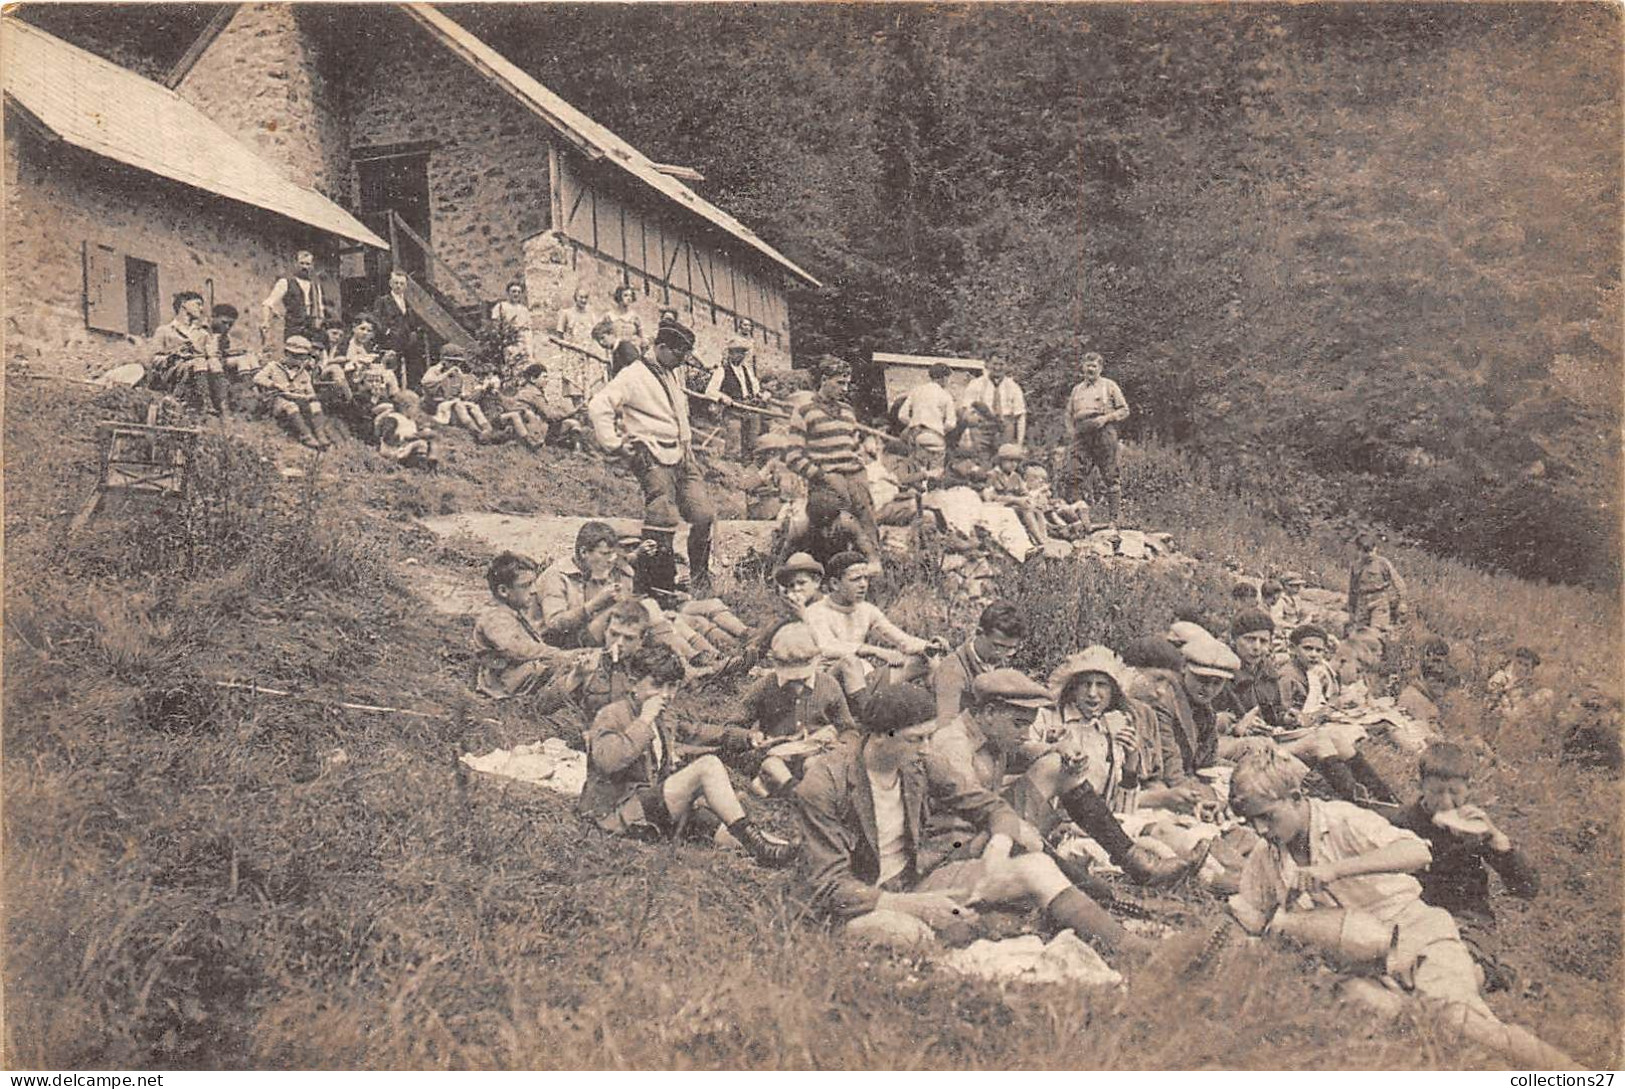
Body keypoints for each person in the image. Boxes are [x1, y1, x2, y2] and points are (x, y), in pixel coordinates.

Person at [1226, 750, 1574, 1068]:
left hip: (1414, 932)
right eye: (1250, 822)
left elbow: (1417, 853)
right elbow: (1248, 917)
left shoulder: (1343, 820)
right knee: (1392, 1020)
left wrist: (1336, 870)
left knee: (1464, 1025)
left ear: (1296, 798)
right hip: (1358, 958)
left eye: (1266, 817)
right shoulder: (1266, 856)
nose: (1260, 830)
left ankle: (1571, 1074)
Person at [794, 683, 1148, 956]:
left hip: (915, 883)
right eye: (917, 739)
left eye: (929, 736)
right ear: (881, 736)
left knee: (1036, 865)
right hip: (861, 904)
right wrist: (913, 906)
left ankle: (1130, 949)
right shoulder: (825, 783)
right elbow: (829, 886)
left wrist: (998, 846)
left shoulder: (918, 763)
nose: (926, 747)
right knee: (905, 933)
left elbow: (992, 807)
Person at [577, 643, 795, 867]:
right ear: (634, 683)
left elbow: (697, 732)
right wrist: (643, 721)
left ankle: (784, 851)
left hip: (651, 804)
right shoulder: (612, 714)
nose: (665, 695)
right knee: (708, 765)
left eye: (671, 687)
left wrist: (747, 738)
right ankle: (764, 848)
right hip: (616, 813)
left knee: (724, 827)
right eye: (656, 685)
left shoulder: (664, 715)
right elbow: (608, 762)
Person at [1026, 650, 1203, 885]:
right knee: (1148, 847)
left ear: (1113, 692)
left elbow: (1117, 808)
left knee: (1164, 832)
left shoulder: (1113, 726)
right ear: (1073, 688)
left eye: (1102, 685)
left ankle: (1214, 873)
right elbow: (1030, 768)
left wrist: (1131, 762)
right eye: (1085, 684)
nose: (1092, 693)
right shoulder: (1048, 718)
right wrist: (1054, 746)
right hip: (1059, 826)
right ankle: (1178, 873)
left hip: (1102, 824)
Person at [1389, 742, 1538, 992]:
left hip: (1469, 919)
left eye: (1455, 792)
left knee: (1459, 965)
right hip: (1416, 915)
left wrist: (1497, 840)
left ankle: (1492, 973)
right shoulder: (1402, 822)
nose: (1447, 802)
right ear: (1420, 787)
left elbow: (1526, 888)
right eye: (1436, 792)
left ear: (1469, 790)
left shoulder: (1476, 826)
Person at [588, 318, 716, 598]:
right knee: (663, 518)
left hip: (682, 453)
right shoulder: (633, 375)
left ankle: (700, 579)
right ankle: (657, 587)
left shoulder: (671, 372)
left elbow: (678, 413)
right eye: (679, 353)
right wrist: (615, 444)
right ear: (661, 347)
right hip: (652, 454)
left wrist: (688, 447)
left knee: (703, 515)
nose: (683, 360)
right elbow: (599, 406)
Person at [709, 622, 857, 797]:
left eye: (803, 679)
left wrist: (837, 742)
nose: (797, 687)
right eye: (790, 680)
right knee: (771, 767)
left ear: (816, 660)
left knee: (814, 765)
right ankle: (797, 792)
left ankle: (807, 790)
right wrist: (750, 737)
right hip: (778, 756)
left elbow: (848, 730)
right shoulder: (764, 687)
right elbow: (731, 728)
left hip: (815, 752)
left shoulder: (828, 685)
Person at [804, 552, 945, 703]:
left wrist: (927, 646)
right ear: (835, 584)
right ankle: (865, 715)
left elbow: (900, 638)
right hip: (829, 682)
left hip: (862, 680)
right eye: (856, 579)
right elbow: (827, 647)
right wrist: (876, 651)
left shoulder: (866, 609)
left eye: (866, 578)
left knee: (926, 660)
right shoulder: (815, 611)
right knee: (849, 662)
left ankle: (940, 704)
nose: (863, 584)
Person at [785, 356, 881, 562]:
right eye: (840, 383)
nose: (845, 389)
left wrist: (863, 464)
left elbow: (853, 448)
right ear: (824, 379)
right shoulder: (805, 411)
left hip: (855, 478)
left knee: (868, 522)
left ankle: (873, 570)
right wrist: (821, 476)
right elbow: (792, 456)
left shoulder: (847, 412)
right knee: (838, 523)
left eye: (847, 383)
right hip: (826, 481)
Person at [473, 551, 586, 699]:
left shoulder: (512, 611)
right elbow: (518, 649)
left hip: (525, 677)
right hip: (508, 686)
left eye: (534, 583)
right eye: (526, 585)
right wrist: (560, 655)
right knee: (584, 672)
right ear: (503, 591)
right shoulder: (495, 617)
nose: (534, 590)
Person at [932, 600, 1029, 727]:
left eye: (1010, 648)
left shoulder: (999, 663)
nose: (1002, 654)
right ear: (979, 632)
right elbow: (946, 728)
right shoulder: (952, 671)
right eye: (997, 646)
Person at [538, 521, 628, 649]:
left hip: (581, 639)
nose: (611, 559)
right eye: (605, 553)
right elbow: (554, 623)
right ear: (584, 552)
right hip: (557, 647)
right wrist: (595, 603)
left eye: (613, 553)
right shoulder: (556, 576)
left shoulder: (594, 570)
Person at [1064, 351, 1130, 524]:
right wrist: (1072, 432)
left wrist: (1105, 418)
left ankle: (1114, 519)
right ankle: (1079, 520)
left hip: (1103, 431)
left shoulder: (1109, 386)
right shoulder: (1077, 389)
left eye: (1094, 366)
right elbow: (1068, 414)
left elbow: (1124, 410)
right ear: (1082, 367)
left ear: (1100, 368)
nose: (1091, 369)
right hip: (1081, 433)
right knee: (1074, 474)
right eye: (1088, 365)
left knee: (1110, 474)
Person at [254, 335, 334, 450]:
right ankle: (305, 435)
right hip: (277, 401)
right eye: (295, 356)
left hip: (299, 400)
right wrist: (274, 384)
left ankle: (320, 435)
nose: (298, 361)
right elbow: (258, 378)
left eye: (302, 357)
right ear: (287, 353)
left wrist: (307, 396)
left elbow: (310, 390)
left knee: (315, 405)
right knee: (290, 405)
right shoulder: (274, 366)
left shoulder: (303, 373)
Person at [705, 317, 766, 459]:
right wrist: (723, 397)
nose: (739, 355)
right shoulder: (722, 370)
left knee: (753, 440)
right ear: (730, 353)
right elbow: (709, 391)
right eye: (736, 352)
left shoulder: (747, 370)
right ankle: (732, 468)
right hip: (733, 411)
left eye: (742, 352)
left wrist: (762, 395)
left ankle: (749, 465)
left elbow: (755, 388)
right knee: (734, 440)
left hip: (749, 408)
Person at [147, 290, 215, 407]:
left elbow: (213, 356)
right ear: (184, 304)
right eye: (197, 304)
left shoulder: (202, 334)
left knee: (208, 364)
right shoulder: (164, 330)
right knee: (198, 363)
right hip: (172, 373)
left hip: (199, 370)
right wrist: (174, 355)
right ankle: (207, 405)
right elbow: (154, 359)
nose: (201, 309)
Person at [421, 343, 497, 441]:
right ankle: (477, 433)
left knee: (473, 406)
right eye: (453, 363)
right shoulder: (434, 371)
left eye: (457, 363)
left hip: (452, 401)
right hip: (436, 403)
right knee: (459, 406)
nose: (456, 366)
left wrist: (466, 395)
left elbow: (460, 390)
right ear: (444, 361)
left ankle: (488, 430)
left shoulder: (456, 374)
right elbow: (427, 383)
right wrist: (447, 373)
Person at [958, 351, 1027, 456]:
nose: (997, 368)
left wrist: (1019, 444)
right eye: (994, 364)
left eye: (1001, 364)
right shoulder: (976, 384)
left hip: (1004, 427)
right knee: (980, 457)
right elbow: (965, 409)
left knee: (1004, 458)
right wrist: (970, 427)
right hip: (982, 428)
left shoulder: (1013, 387)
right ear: (988, 364)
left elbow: (1020, 416)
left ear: (1007, 366)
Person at [259, 249, 326, 350]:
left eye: (308, 264)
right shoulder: (285, 282)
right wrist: (265, 321)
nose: (304, 267)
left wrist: (318, 327)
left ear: (312, 266)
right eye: (301, 263)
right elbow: (268, 303)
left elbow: (320, 311)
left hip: (311, 328)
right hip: (294, 327)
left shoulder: (316, 286)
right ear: (295, 263)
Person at [373, 269, 428, 392]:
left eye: (402, 283)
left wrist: (415, 332)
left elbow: (414, 319)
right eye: (396, 283)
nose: (399, 286)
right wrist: (387, 332)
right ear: (390, 284)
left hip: (408, 340)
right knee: (393, 369)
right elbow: (376, 320)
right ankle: (395, 394)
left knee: (413, 367)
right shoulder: (383, 301)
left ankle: (413, 393)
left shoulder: (408, 301)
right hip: (392, 340)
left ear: (406, 286)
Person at [982, 444, 1047, 546]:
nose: (1013, 464)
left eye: (1016, 461)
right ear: (1001, 461)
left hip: (1015, 505)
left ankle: (1044, 537)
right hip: (1000, 507)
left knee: (1037, 508)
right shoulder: (993, 475)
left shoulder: (1016, 476)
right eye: (1009, 460)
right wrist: (1015, 500)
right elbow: (989, 496)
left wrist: (1030, 499)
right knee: (1026, 509)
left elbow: (1024, 492)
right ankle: (1040, 540)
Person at [1347, 532, 1407, 636]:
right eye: (1365, 552)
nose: (1369, 555)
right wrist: (1351, 610)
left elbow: (1397, 582)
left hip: (1379, 600)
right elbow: (1352, 589)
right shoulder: (1355, 566)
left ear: (1376, 549)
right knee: (1360, 634)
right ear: (1359, 551)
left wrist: (1402, 602)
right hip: (1362, 602)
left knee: (1376, 633)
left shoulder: (1383, 563)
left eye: (1371, 551)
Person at [554, 285, 599, 407]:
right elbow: (559, 335)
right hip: (572, 355)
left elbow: (597, 334)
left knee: (589, 388)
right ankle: (578, 411)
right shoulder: (566, 313)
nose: (583, 300)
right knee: (575, 389)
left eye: (586, 297)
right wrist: (566, 352)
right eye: (581, 297)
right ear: (575, 297)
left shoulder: (591, 315)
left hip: (588, 355)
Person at [899, 363, 958, 448]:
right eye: (948, 378)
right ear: (944, 378)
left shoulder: (916, 391)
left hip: (913, 434)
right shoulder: (946, 395)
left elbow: (902, 416)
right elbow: (951, 424)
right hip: (933, 435)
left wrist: (914, 424)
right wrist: (939, 430)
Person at [372, 401, 436, 469]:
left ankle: (421, 466)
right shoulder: (394, 417)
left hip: (404, 449)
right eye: (415, 409)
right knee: (421, 444)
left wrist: (418, 435)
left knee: (427, 442)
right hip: (392, 449)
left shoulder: (411, 421)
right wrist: (405, 438)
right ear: (408, 408)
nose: (416, 412)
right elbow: (386, 437)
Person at [592, 284, 646, 365]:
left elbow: (642, 338)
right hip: (615, 355)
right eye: (625, 295)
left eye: (630, 296)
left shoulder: (635, 317)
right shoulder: (610, 316)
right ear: (619, 297)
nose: (629, 298)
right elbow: (596, 333)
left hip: (632, 355)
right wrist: (610, 341)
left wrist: (638, 342)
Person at [490, 279, 534, 367]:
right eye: (513, 291)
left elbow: (528, 330)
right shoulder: (501, 307)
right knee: (510, 367)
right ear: (508, 293)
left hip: (524, 345)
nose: (516, 294)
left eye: (519, 292)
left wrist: (530, 349)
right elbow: (495, 328)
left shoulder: (524, 310)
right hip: (508, 343)